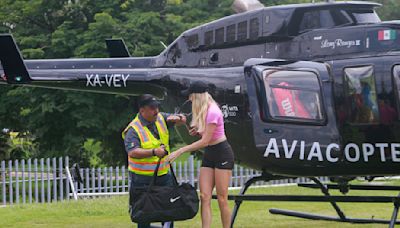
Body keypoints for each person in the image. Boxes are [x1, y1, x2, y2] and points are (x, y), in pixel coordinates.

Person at [165, 81, 234, 228]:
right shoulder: (203, 110)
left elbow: (205, 141)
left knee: (222, 198)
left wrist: (181, 150)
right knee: (204, 196)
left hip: (222, 153)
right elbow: (206, 137)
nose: (189, 99)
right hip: (210, 153)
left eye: (190, 96)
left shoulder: (213, 112)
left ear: (197, 96)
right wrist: (196, 131)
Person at [122, 94, 186, 228]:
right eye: (152, 108)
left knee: (169, 209)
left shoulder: (160, 118)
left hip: (164, 174)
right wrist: (153, 152)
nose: (156, 111)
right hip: (142, 179)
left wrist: (179, 118)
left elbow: (175, 119)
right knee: (143, 214)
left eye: (156, 107)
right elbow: (133, 152)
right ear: (142, 110)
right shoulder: (133, 129)